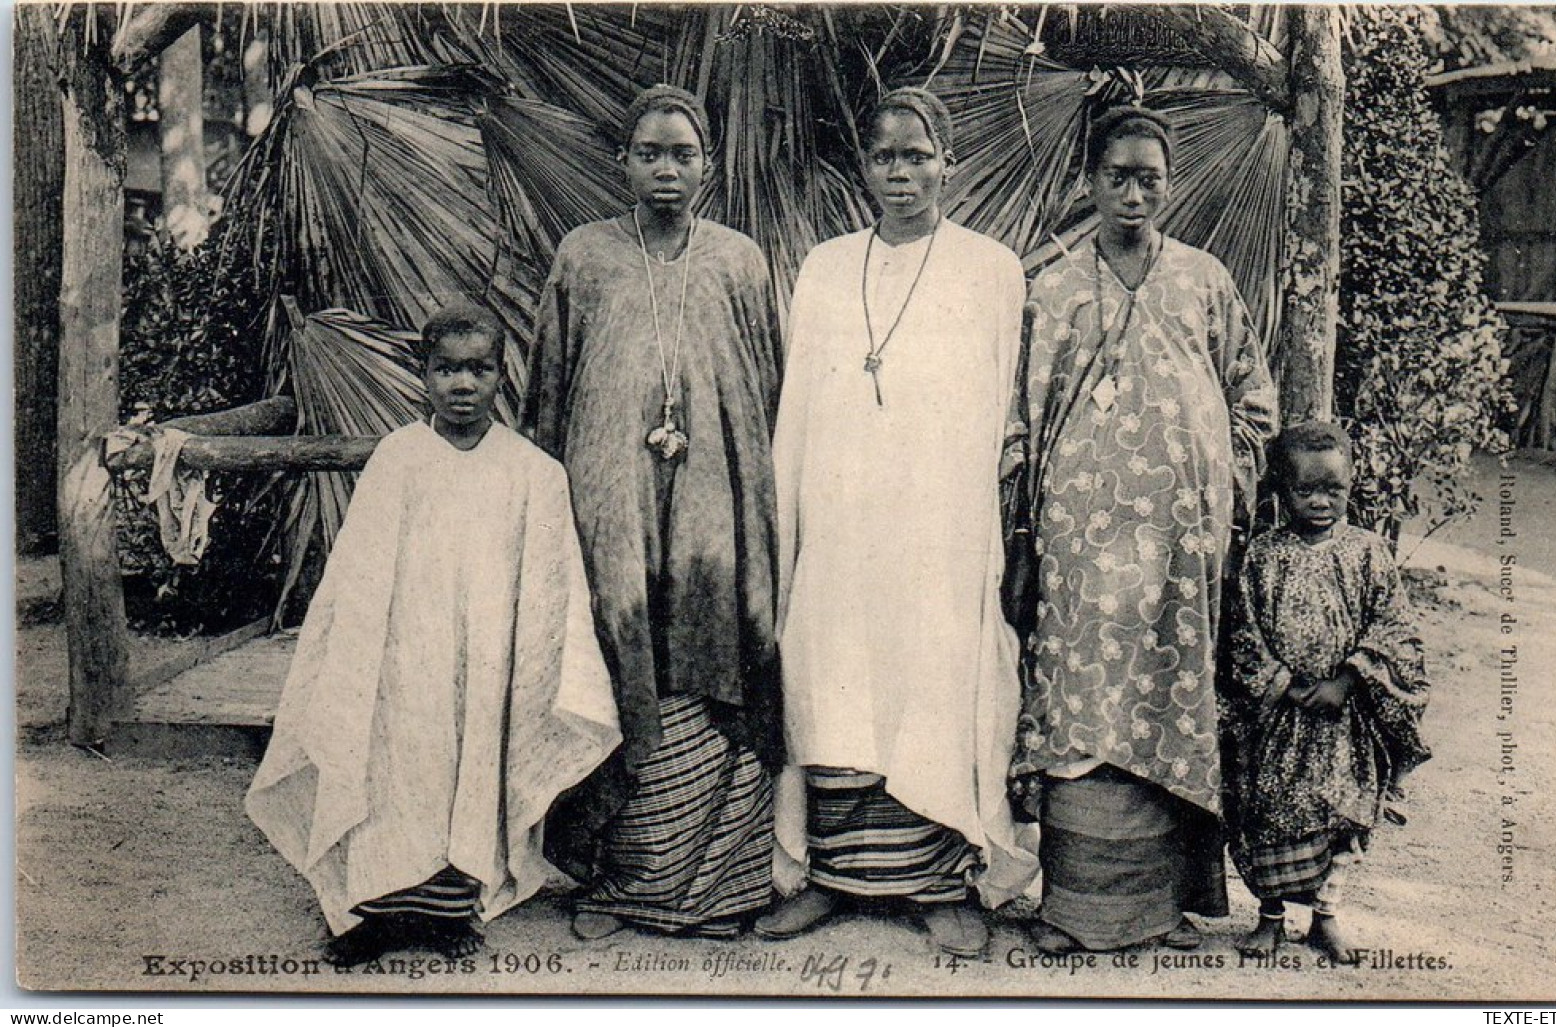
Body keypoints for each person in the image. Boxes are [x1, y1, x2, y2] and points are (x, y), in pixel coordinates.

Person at [246, 305, 621, 968]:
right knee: (394, 770)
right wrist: (364, 657)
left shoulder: (532, 471)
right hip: (402, 658)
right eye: (446, 368)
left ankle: (448, 911)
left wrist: (521, 659)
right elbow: (358, 572)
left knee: (466, 773)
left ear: (501, 374)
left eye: (478, 368)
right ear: (422, 374)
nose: (462, 384)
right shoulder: (398, 458)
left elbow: (549, 586)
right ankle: (373, 913)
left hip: (488, 659)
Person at [763, 86, 1038, 958]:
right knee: (831, 680)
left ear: (946, 162)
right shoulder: (823, 267)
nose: (901, 171)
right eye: (884, 155)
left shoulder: (990, 268)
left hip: (936, 529)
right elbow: (799, 409)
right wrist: (795, 525)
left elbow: (1001, 412)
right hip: (839, 524)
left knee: (933, 683)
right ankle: (833, 877)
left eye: (917, 154)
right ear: (864, 166)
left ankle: (938, 882)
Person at [1006, 105, 1278, 954]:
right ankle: (1073, 910)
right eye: (1116, 176)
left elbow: (1252, 398)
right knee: (1081, 706)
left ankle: (1157, 910)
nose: (1132, 193)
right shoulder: (1047, 290)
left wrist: (1215, 486)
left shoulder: (1203, 280)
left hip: (1178, 547)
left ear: (1168, 184)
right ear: (1088, 181)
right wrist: (1022, 532)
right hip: (1079, 549)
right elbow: (1018, 419)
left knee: (1166, 703)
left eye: (1148, 178)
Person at [523, 85, 783, 941]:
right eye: (648, 153)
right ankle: (622, 879)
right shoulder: (584, 256)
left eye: (682, 153)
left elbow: (770, 391)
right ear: (622, 162)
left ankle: (715, 887)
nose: (665, 169)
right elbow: (548, 397)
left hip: (716, 507)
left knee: (714, 656)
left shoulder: (740, 260)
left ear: (706, 166)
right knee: (618, 655)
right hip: (611, 509)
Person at [1222, 421, 1431, 963]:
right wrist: (1284, 684)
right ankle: (1270, 916)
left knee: (1341, 814)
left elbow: (1395, 628)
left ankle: (1326, 915)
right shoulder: (1263, 556)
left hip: (1344, 717)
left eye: (1333, 490)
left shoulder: (1368, 553)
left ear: (1350, 485)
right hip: (1279, 715)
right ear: (1280, 491)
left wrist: (1348, 678)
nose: (1320, 501)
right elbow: (1242, 632)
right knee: (1267, 811)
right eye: (1306, 490)